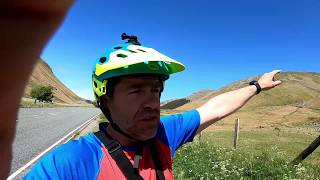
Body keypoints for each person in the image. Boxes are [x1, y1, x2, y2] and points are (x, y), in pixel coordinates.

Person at [0, 1, 282, 179]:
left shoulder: (164, 132)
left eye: (156, 90)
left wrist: (257, 86)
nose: (152, 103)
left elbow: (214, 109)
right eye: (136, 91)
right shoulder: (73, 162)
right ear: (106, 100)